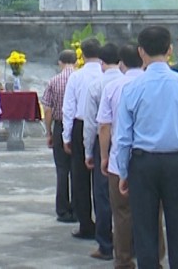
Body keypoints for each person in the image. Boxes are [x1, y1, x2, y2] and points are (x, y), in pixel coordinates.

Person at [110, 24, 178, 269]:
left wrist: (123, 171)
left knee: (145, 231)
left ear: (141, 52)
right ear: (170, 49)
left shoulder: (132, 88)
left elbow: (123, 137)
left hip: (143, 163)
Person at [98, 40, 156, 269]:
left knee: (121, 213)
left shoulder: (113, 87)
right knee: (152, 212)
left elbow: (104, 126)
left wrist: (104, 155)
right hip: (150, 156)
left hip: (118, 158)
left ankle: (123, 259)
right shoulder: (152, 83)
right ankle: (153, 257)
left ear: (121, 63)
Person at [82, 42, 122, 261]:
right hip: (129, 142)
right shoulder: (129, 82)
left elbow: (92, 123)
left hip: (103, 142)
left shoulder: (97, 85)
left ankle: (105, 245)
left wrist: (89, 151)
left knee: (103, 195)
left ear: (101, 61)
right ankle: (130, 243)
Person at [63, 37, 105, 240]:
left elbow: (68, 108)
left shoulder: (77, 77)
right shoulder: (108, 75)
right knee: (104, 177)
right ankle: (106, 222)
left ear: (83, 54)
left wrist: (66, 135)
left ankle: (86, 224)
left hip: (80, 125)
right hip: (105, 126)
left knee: (79, 178)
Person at [41, 49, 77, 224]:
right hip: (79, 126)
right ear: (76, 62)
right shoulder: (80, 79)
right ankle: (79, 208)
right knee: (78, 170)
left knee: (62, 170)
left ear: (60, 62)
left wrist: (48, 132)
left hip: (60, 124)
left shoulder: (53, 81)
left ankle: (62, 209)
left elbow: (47, 109)